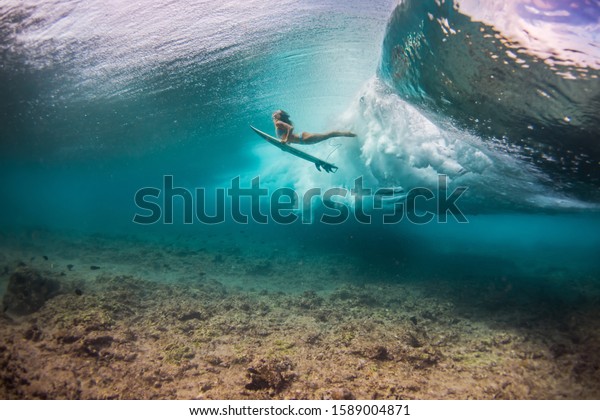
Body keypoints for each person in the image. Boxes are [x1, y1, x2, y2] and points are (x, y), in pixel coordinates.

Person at [272, 110, 356, 144]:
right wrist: (287, 142)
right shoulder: (279, 123)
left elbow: (290, 128)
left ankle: (350, 133)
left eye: (276, 112)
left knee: (329, 135)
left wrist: (286, 140)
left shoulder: (278, 123)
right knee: (328, 135)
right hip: (303, 139)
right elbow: (288, 135)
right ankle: (347, 130)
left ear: (279, 116)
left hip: (304, 138)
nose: (274, 113)